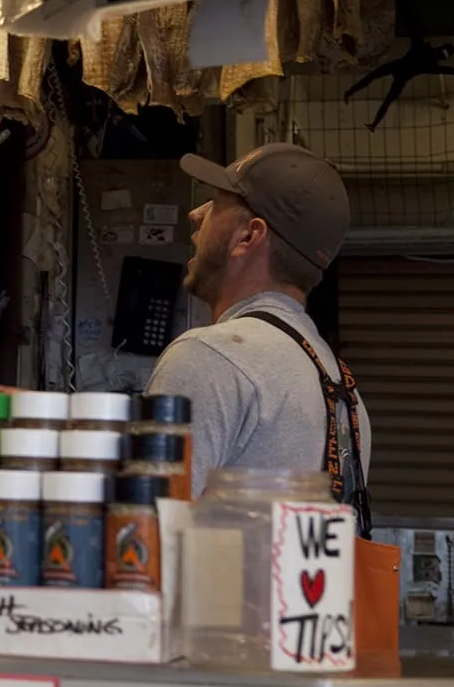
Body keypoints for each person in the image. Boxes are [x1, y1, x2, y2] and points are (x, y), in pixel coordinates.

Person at [144, 143, 373, 527]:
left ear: (248, 237)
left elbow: (146, 534)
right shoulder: (344, 394)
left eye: (216, 202)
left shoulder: (209, 358)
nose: (195, 214)